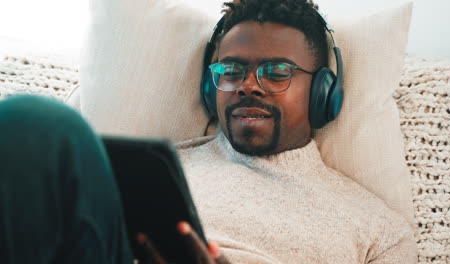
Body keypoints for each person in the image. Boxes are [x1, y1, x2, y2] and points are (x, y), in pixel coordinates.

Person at [0, 0, 417, 263]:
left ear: (324, 92)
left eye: (276, 72)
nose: (249, 85)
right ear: (209, 86)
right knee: (33, 123)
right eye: (232, 70)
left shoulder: (377, 229)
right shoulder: (151, 170)